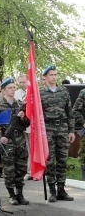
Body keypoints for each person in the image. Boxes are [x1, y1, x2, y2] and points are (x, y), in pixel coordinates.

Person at [0, 78, 30, 205]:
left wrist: (24, 118)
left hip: (20, 139)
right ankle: (11, 194)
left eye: (14, 87)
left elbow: (27, 123)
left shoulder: (19, 104)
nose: (13, 90)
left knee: (21, 168)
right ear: (3, 90)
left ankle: (20, 193)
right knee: (9, 169)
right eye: (10, 88)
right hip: (7, 140)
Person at [40, 65, 75, 202]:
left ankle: (61, 190)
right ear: (45, 77)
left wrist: (71, 131)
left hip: (62, 129)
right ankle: (52, 191)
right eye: (51, 75)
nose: (54, 77)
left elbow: (70, 113)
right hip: (47, 130)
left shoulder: (64, 91)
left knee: (62, 161)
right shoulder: (40, 92)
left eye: (55, 74)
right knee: (50, 161)